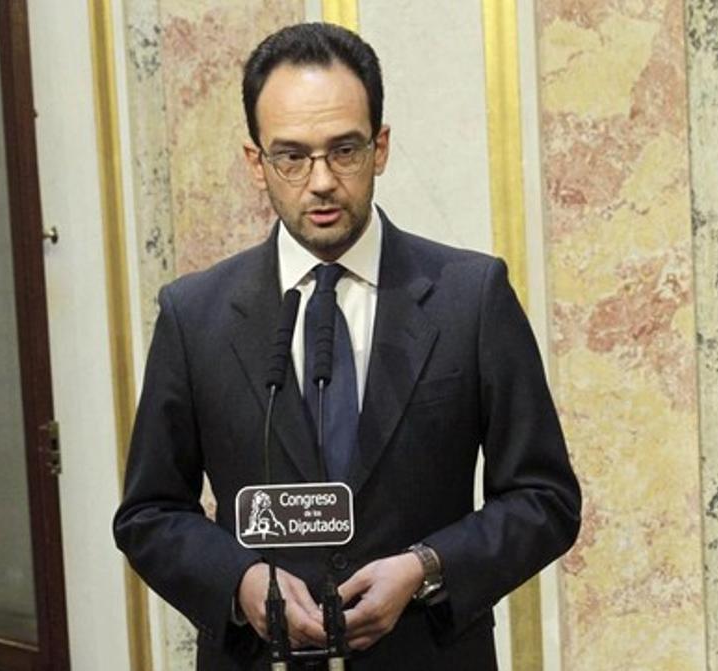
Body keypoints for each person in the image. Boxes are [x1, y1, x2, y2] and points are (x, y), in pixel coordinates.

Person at [113, 22, 581, 670]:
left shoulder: (470, 297)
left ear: (380, 147)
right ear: (257, 162)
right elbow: (149, 512)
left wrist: (426, 568)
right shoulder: (196, 315)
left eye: (344, 150)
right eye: (292, 156)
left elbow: (545, 498)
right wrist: (243, 583)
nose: (322, 180)